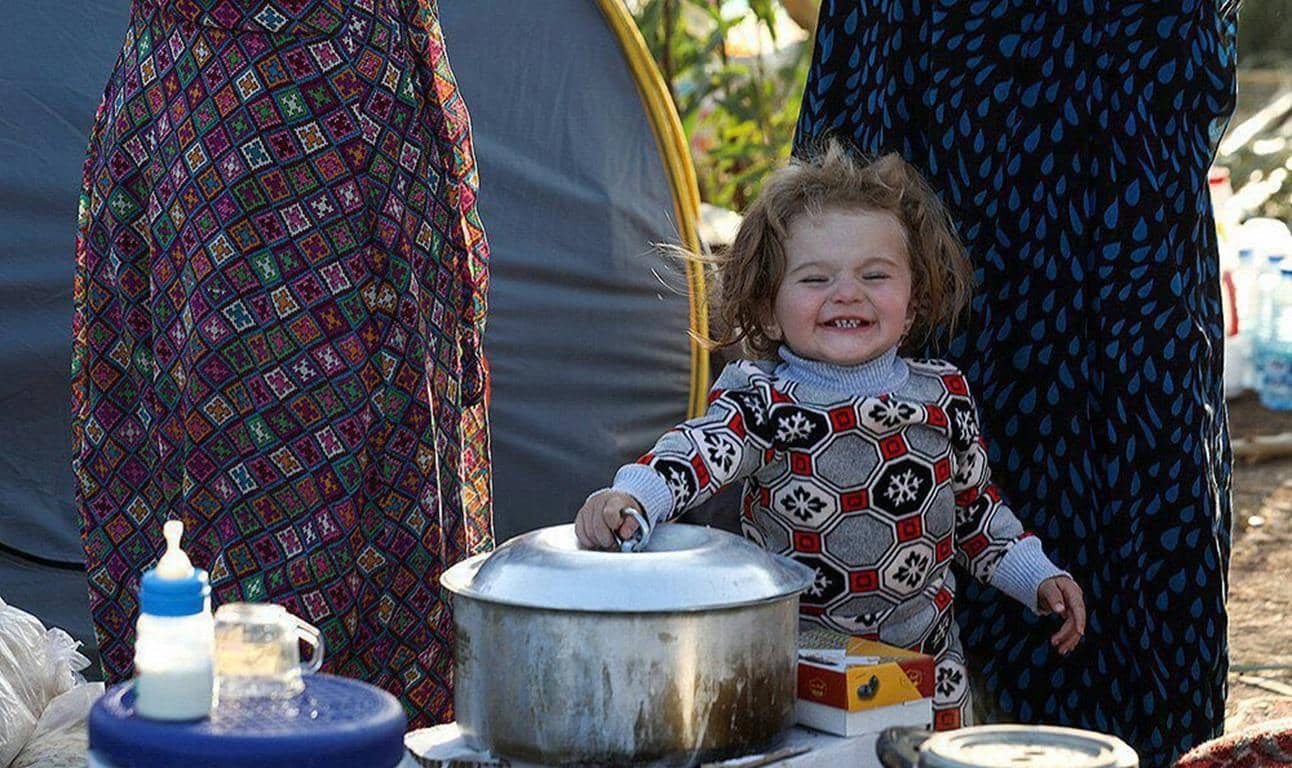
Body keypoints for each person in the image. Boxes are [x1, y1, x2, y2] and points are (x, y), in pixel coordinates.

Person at [793, 3, 1236, 763]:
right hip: (939, 61)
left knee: (1136, 427)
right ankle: (929, 737)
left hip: (1120, 68)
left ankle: (1142, 745)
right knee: (903, 372)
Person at [71, 0, 491, 727]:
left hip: (313, 99)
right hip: (205, 100)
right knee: (197, 449)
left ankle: (305, 729)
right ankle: (233, 724)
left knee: (365, 467)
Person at [574, 142, 1086, 728]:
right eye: (816, 278)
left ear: (914, 301)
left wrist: (1037, 574)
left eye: (875, 275)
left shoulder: (944, 396)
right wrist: (635, 495)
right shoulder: (763, 401)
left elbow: (974, 514)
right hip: (806, 666)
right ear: (768, 311)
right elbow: (697, 450)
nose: (848, 293)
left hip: (929, 666)